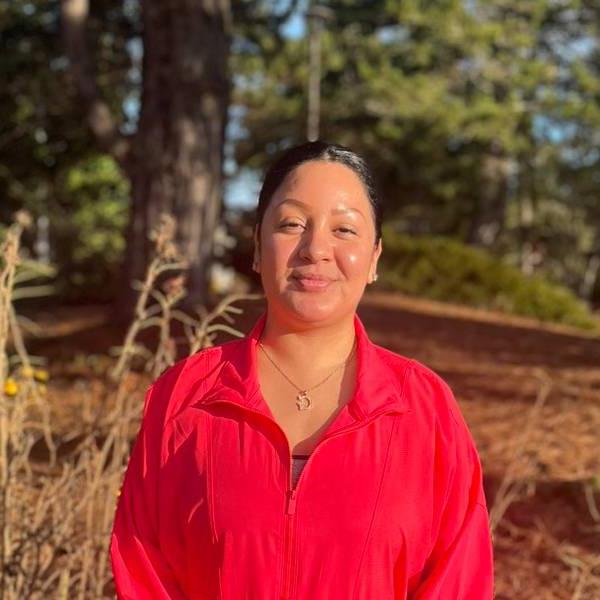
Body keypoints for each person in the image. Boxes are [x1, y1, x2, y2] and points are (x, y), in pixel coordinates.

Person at [110, 141, 494, 599]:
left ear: (374, 258)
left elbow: (458, 581)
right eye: (292, 224)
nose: (316, 249)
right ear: (257, 248)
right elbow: (144, 574)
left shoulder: (424, 410)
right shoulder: (184, 398)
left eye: (345, 230)